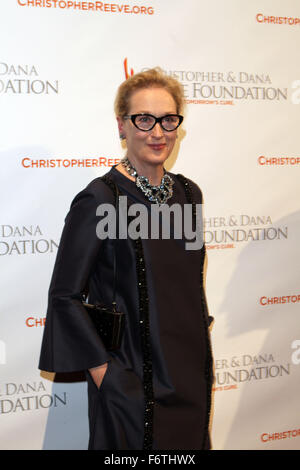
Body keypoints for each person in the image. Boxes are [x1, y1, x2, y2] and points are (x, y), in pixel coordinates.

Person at [39, 68, 214, 450]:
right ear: (122, 125)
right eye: (144, 119)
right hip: (132, 385)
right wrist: (107, 375)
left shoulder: (188, 194)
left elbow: (186, 284)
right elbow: (64, 297)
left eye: (168, 120)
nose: (157, 132)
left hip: (190, 377)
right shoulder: (100, 199)